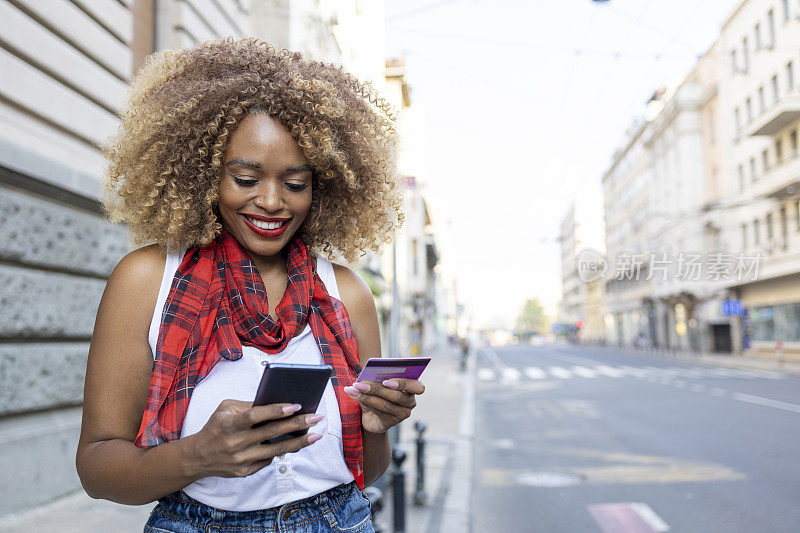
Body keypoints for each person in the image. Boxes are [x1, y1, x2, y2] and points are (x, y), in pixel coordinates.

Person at [76, 37, 425, 533]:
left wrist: (376, 427)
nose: (271, 201)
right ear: (203, 175)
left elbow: (365, 471)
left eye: (295, 183)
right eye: (245, 178)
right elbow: (97, 467)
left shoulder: (348, 293)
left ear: (322, 185)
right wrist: (197, 457)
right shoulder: (146, 280)